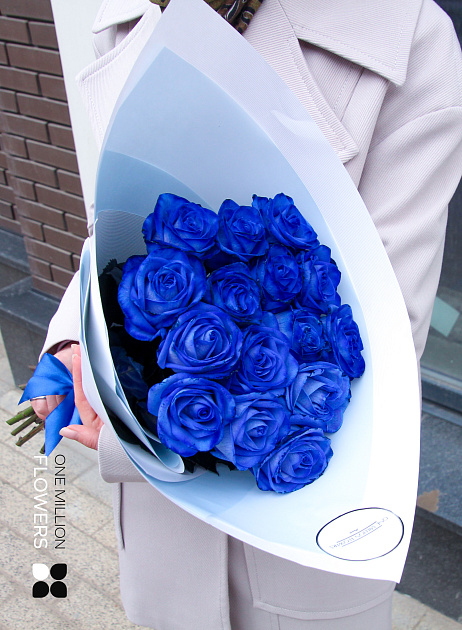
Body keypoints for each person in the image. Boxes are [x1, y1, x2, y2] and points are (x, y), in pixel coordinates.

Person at [31, 0, 462, 628]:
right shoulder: (133, 14)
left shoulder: (406, 36)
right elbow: (120, 228)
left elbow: (381, 343)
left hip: (298, 535)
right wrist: (75, 344)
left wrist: (134, 433)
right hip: (161, 533)